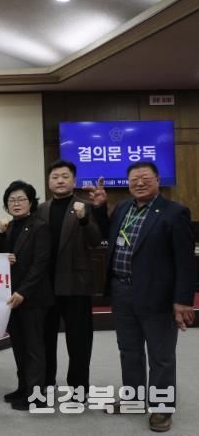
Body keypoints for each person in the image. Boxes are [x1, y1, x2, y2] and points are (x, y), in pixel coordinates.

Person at [87, 162, 195, 433]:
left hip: (157, 296)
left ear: (158, 180)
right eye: (134, 179)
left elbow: (185, 262)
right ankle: (133, 400)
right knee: (129, 351)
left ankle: (162, 409)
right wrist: (100, 208)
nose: (139, 182)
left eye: (146, 177)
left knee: (161, 356)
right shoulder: (123, 208)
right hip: (122, 292)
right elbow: (108, 234)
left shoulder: (175, 212)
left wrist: (183, 300)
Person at [36, 159, 102, 397]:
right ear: (49, 181)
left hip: (76, 284)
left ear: (74, 181)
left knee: (79, 340)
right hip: (46, 285)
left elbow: (95, 241)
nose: (60, 181)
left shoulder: (86, 207)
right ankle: (45, 381)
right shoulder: (40, 209)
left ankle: (78, 387)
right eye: (55, 177)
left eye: (65, 176)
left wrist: (84, 219)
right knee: (45, 338)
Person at [0, 180, 52, 411]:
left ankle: (36, 395)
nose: (16, 204)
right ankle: (23, 387)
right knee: (19, 345)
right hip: (10, 297)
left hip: (32, 297)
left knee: (34, 347)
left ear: (31, 202)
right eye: (11, 200)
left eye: (21, 199)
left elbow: (40, 264)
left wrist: (23, 291)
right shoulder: (9, 227)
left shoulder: (40, 226)